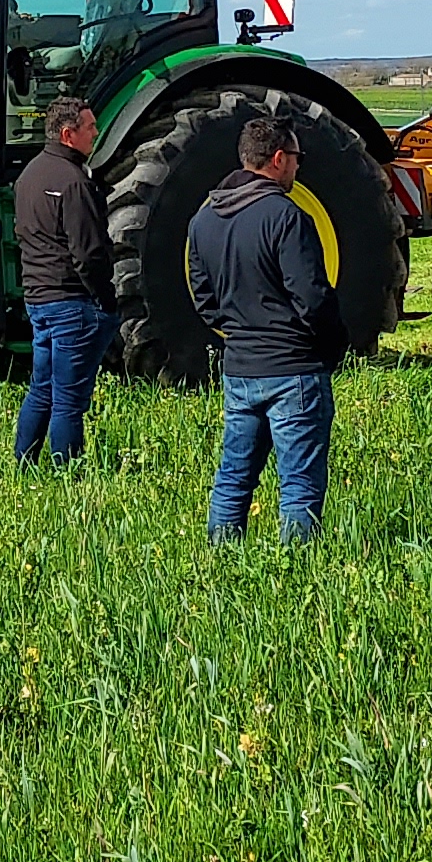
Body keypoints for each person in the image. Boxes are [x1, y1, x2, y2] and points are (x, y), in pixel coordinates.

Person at [187, 115, 341, 543]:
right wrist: (331, 345)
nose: (297, 167)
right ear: (277, 159)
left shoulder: (204, 221)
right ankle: (295, 571)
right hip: (293, 367)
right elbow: (312, 298)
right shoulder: (286, 217)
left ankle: (221, 558)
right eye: (296, 158)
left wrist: (238, 331)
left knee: (234, 476)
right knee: (299, 486)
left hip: (239, 368)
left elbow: (205, 301)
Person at [11, 99, 109, 469]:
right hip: (70, 299)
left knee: (41, 389)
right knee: (68, 398)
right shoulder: (73, 182)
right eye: (89, 128)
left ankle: (24, 462)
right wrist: (105, 298)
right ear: (69, 135)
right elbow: (88, 251)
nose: (95, 134)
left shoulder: (29, 176)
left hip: (38, 298)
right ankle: (66, 470)